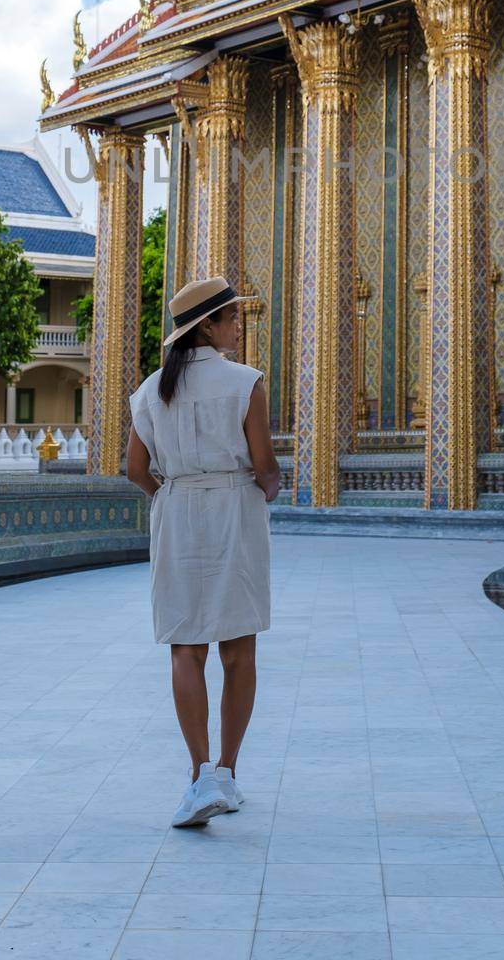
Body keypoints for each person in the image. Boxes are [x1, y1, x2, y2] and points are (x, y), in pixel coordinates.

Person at [126, 275, 281, 828]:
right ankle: (227, 772)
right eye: (232, 318)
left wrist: (168, 497)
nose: (239, 325)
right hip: (234, 513)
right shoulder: (246, 384)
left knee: (186, 651)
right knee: (238, 652)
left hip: (178, 515)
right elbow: (264, 466)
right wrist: (267, 487)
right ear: (208, 328)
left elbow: (135, 471)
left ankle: (198, 774)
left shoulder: (150, 391)